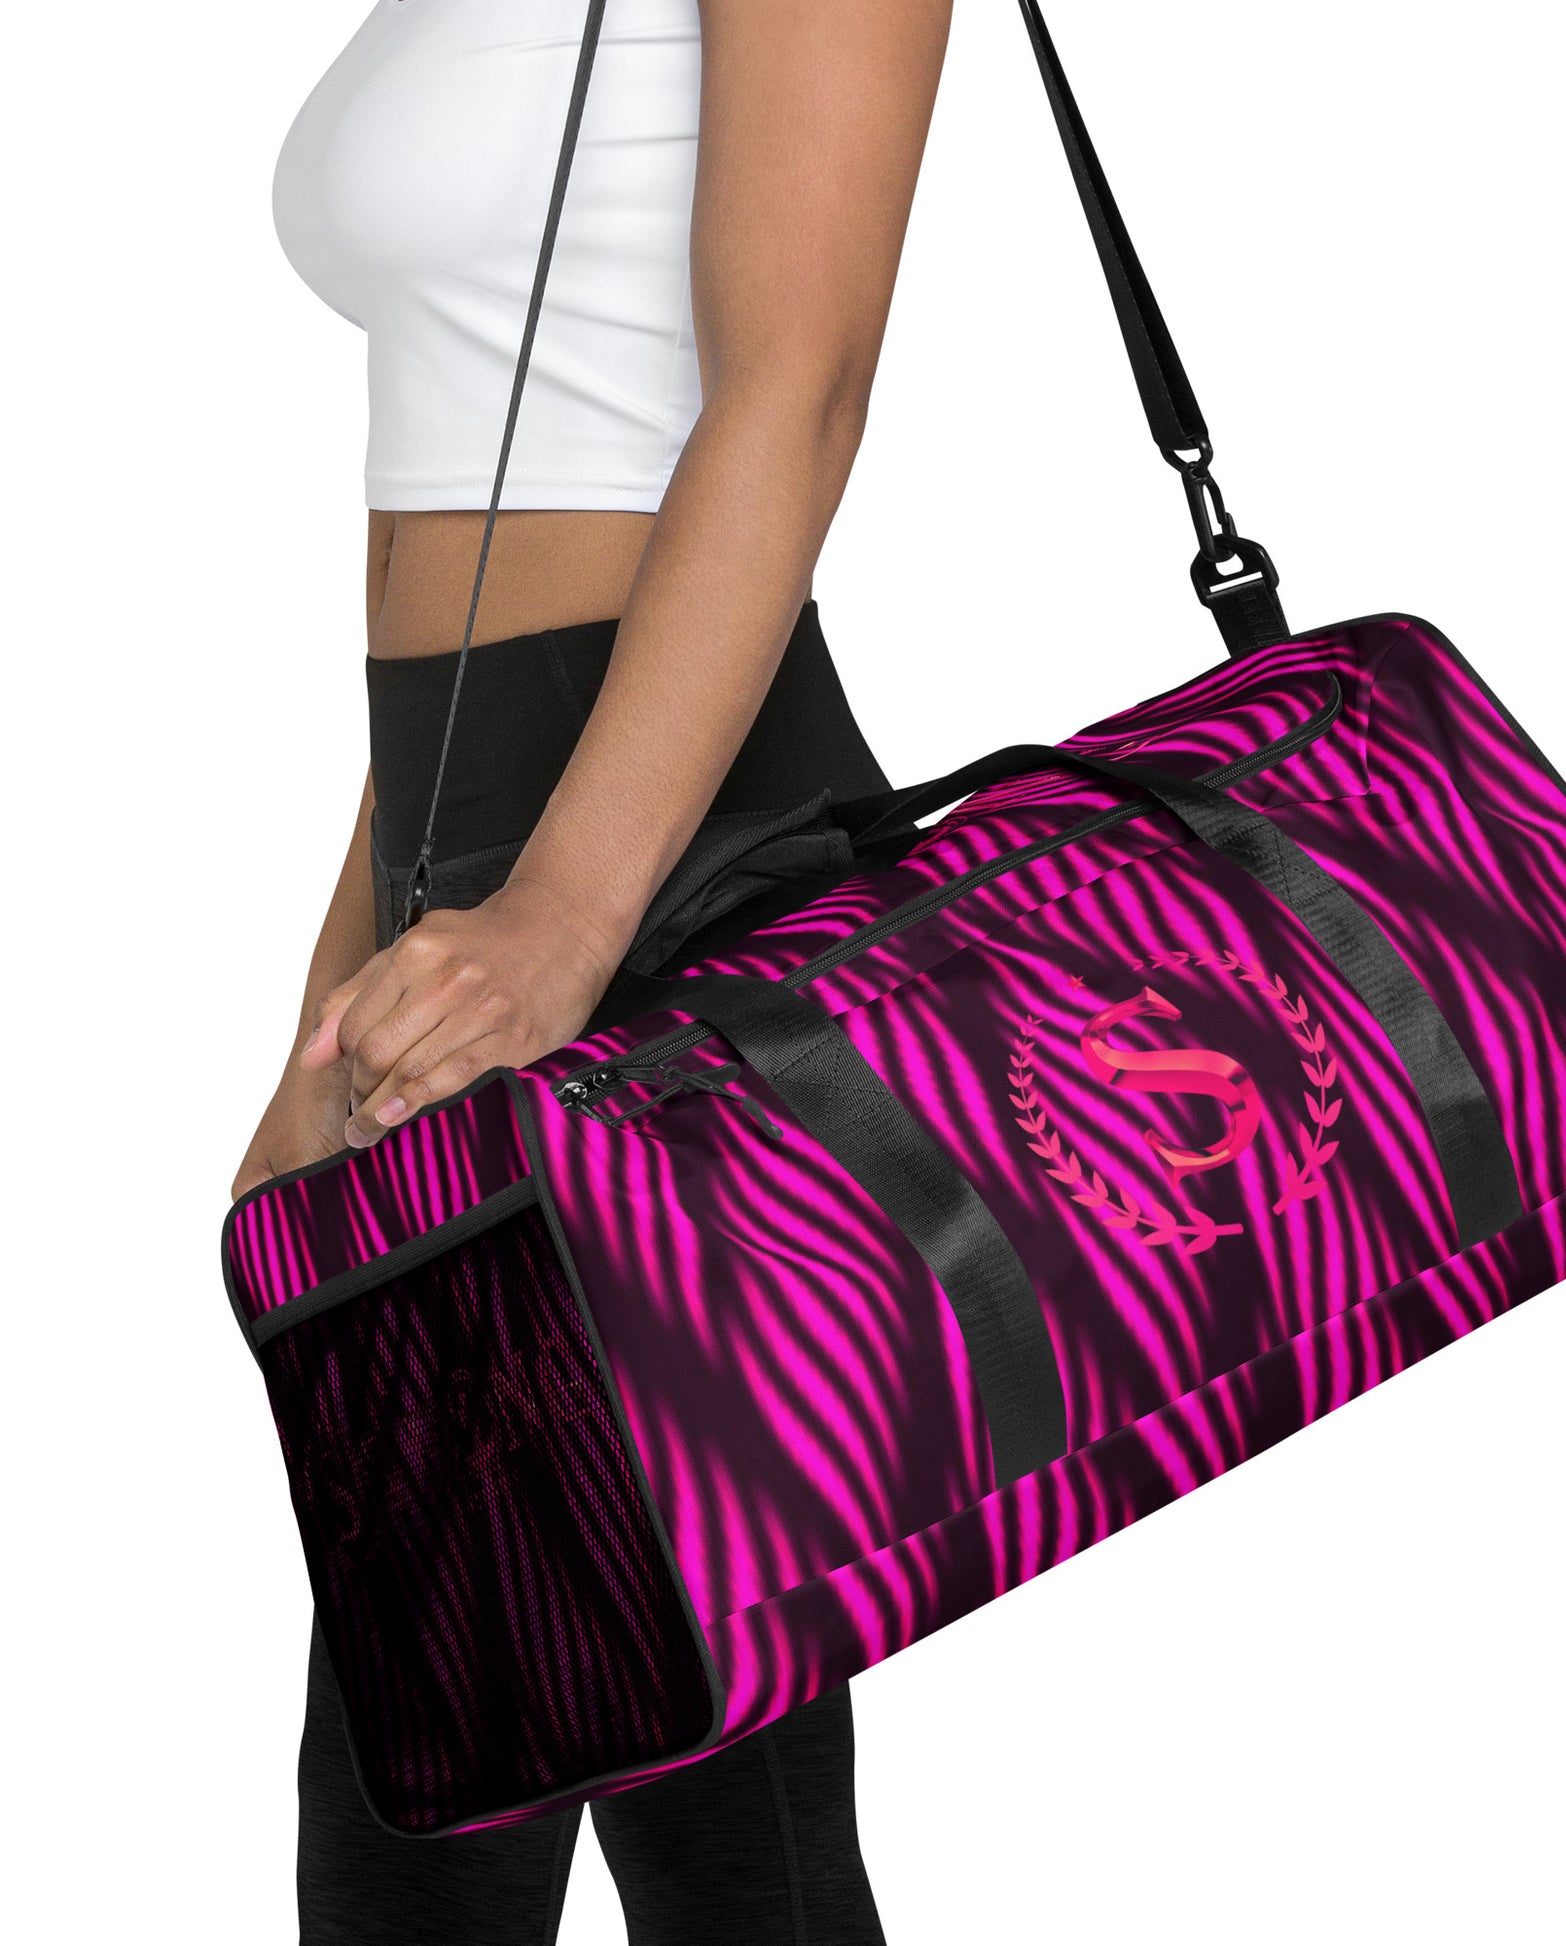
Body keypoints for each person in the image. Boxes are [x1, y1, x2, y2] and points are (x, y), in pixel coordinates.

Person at [234, 1, 954, 1936]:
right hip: (484, 867)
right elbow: (466, 577)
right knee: (661, 1786)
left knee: (462, 1790)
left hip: (667, 875)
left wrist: (562, 925)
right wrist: (335, 1010)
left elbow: (800, 387)